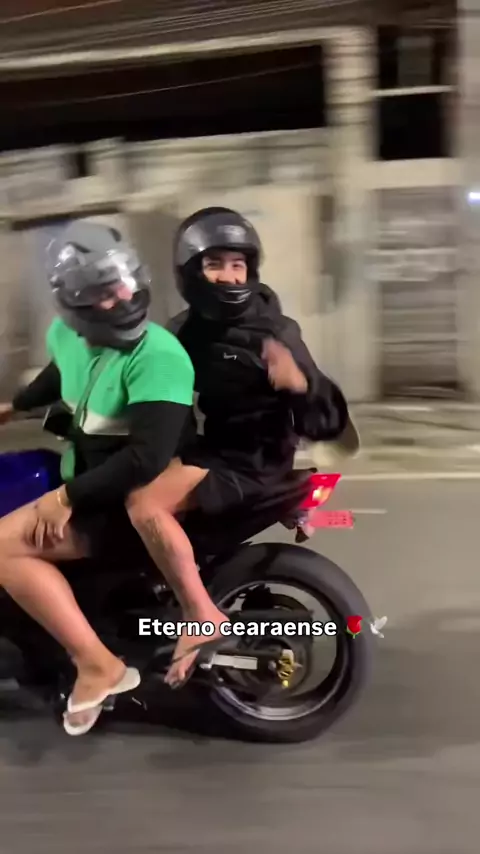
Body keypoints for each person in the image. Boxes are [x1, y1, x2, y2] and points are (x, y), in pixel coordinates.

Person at [125, 206, 350, 688]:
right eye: (215, 265)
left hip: (251, 462)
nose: (229, 277)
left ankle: (198, 615)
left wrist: (299, 385)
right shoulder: (184, 332)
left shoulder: (275, 332)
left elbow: (329, 424)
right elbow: (163, 391)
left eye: (237, 264)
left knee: (144, 506)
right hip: (215, 448)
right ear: (190, 271)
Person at [0, 219, 203, 736]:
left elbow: (146, 460)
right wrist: (13, 407)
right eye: (105, 294)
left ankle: (96, 663)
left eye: (125, 285)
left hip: (122, 498)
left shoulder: (158, 357)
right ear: (75, 306)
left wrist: (65, 498)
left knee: (1, 547)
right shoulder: (69, 334)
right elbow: (60, 372)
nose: (123, 299)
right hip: (88, 476)